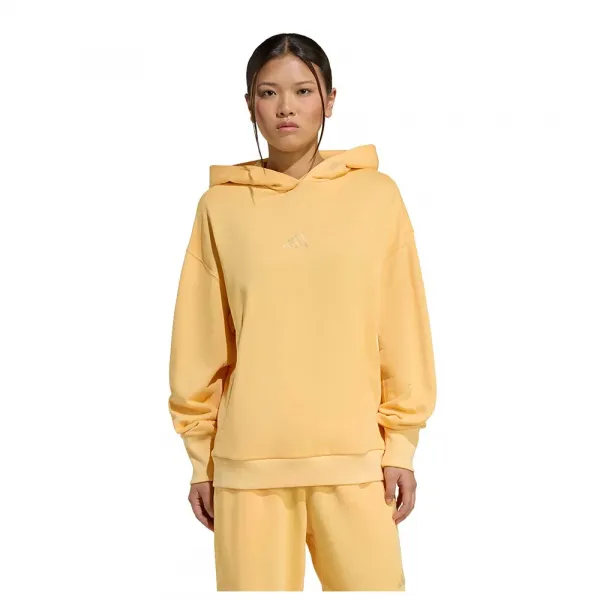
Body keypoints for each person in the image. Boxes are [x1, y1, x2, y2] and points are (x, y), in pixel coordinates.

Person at [167, 32, 437, 592]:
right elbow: (202, 341)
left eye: (302, 91)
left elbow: (403, 328)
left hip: (356, 460)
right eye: (268, 92)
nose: (285, 107)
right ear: (250, 105)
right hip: (249, 466)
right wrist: (201, 459)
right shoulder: (220, 206)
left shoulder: (377, 197)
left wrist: (401, 445)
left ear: (329, 100)